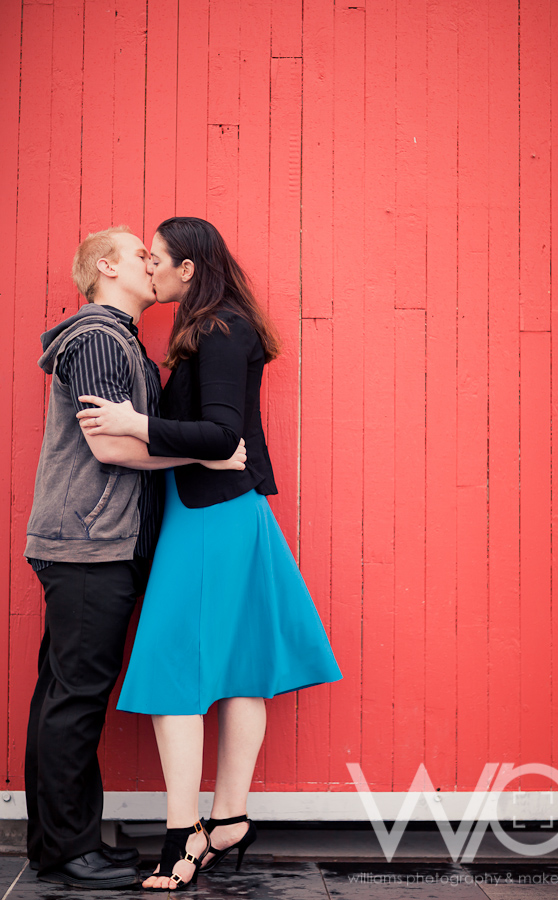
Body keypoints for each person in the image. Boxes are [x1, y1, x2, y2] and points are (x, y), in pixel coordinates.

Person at [77, 216, 342, 891]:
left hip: (211, 517)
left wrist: (136, 422)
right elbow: (224, 440)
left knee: (177, 675)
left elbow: (223, 435)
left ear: (189, 269)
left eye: (158, 259)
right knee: (238, 669)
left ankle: (179, 838)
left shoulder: (220, 329)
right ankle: (227, 820)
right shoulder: (215, 327)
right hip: (222, 513)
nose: (152, 269)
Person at [24, 226, 245, 889]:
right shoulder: (96, 339)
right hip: (89, 546)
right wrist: (209, 451)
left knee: (63, 696)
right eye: (143, 257)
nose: (155, 267)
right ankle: (68, 849)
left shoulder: (120, 343)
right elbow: (110, 447)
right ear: (110, 266)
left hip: (99, 545)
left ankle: (59, 842)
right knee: (76, 699)